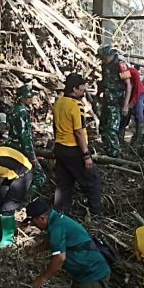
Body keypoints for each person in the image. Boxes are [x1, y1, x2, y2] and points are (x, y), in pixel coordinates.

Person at [53, 73, 102, 216]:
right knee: (93, 181)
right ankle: (96, 215)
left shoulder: (58, 102)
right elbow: (79, 132)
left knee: (64, 184)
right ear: (75, 89)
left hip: (60, 148)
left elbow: (55, 127)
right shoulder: (76, 105)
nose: (84, 90)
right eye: (82, 88)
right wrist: (86, 155)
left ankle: (60, 215)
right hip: (73, 149)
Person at [7, 84, 46, 193]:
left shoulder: (12, 110)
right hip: (21, 148)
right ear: (22, 98)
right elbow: (25, 136)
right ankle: (25, 201)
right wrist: (32, 157)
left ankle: (9, 200)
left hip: (12, 146)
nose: (31, 99)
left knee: (15, 175)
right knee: (40, 177)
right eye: (28, 97)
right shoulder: (22, 112)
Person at [96, 46, 132, 158]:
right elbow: (103, 82)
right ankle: (107, 149)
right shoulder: (104, 65)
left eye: (104, 57)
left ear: (110, 55)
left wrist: (126, 105)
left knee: (112, 129)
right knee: (102, 127)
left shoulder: (121, 65)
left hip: (117, 102)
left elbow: (128, 85)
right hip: (107, 100)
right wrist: (98, 95)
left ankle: (115, 154)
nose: (103, 59)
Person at [120, 64, 144, 145]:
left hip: (138, 93)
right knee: (124, 115)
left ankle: (138, 138)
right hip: (125, 93)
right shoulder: (118, 74)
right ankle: (120, 137)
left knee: (138, 113)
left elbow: (137, 91)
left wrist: (130, 104)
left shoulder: (134, 73)